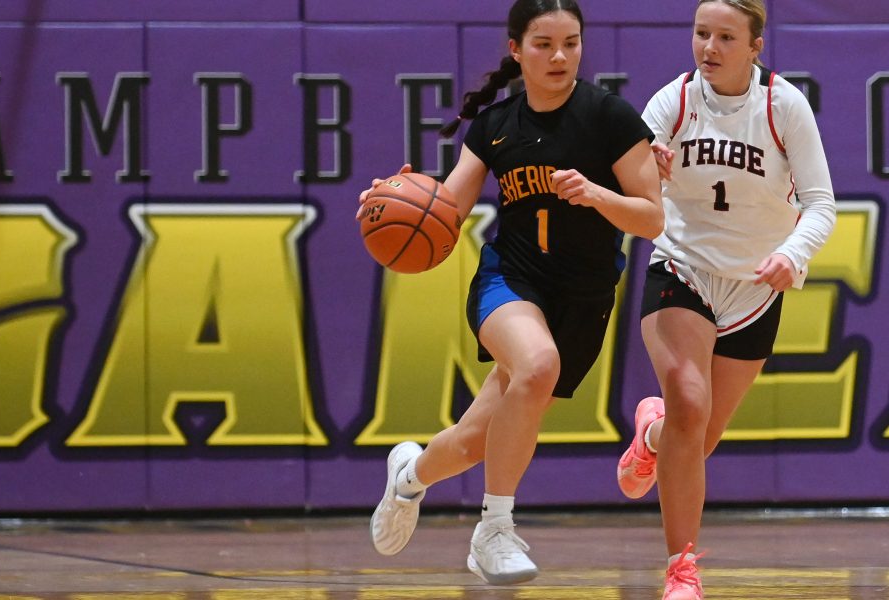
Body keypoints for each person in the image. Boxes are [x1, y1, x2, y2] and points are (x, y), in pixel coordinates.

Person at [358, 0, 664, 586]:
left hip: (584, 298)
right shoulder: (495, 126)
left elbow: (652, 218)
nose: (560, 56)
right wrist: (393, 199)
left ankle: (409, 477)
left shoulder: (610, 117)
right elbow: (444, 210)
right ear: (516, 50)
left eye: (571, 43)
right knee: (537, 362)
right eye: (544, 44)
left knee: (474, 441)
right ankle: (494, 530)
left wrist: (596, 195)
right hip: (511, 281)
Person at [615, 0, 837, 598]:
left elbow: (821, 203)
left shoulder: (783, 106)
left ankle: (652, 435)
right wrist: (646, 168)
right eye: (701, 33)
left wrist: (792, 254)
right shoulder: (673, 101)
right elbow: (627, 184)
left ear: (755, 46)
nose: (709, 47)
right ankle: (681, 571)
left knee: (695, 439)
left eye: (725, 37)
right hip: (681, 266)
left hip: (754, 287)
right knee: (690, 404)